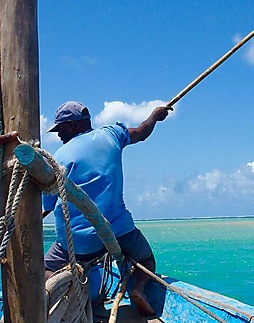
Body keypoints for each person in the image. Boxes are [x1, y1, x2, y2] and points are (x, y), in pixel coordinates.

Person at [42, 101, 171, 316]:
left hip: (78, 242)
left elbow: (46, 206)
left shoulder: (59, 158)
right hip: (118, 230)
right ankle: (138, 289)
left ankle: (58, 299)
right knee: (147, 261)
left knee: (45, 269)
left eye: (60, 128)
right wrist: (154, 117)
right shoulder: (111, 134)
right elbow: (141, 132)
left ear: (72, 125)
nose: (58, 135)